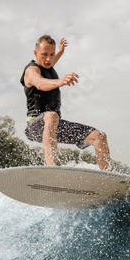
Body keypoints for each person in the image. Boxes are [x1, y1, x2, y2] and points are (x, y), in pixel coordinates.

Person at [20, 34, 111, 171]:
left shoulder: (48, 64)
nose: (49, 59)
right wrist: (61, 81)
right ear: (35, 53)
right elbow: (39, 83)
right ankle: (51, 170)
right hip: (36, 126)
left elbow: (50, 62)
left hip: (55, 125)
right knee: (51, 115)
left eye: (52, 54)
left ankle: (108, 178)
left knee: (99, 136)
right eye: (44, 54)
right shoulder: (31, 70)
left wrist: (60, 52)